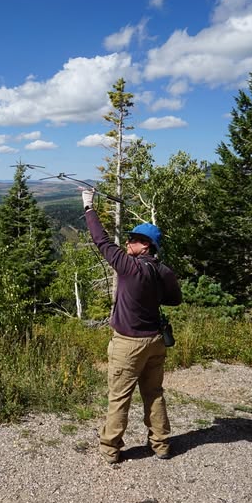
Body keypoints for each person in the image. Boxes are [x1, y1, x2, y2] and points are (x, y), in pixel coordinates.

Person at [82, 188, 182, 464]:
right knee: (154, 395)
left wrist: (88, 207)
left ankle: (111, 449)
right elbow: (176, 299)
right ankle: (161, 445)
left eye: (134, 239)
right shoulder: (164, 271)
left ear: (146, 245)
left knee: (119, 397)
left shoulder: (130, 267)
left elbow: (101, 241)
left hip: (129, 343)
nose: (127, 242)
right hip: (155, 342)